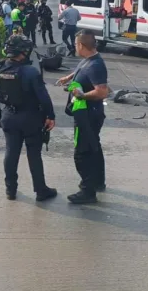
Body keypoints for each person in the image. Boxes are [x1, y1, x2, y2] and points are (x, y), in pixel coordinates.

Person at [0, 34, 57, 202]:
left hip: (9, 116)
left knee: (11, 152)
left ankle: (10, 190)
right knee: (34, 154)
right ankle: (41, 190)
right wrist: (50, 116)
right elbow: (43, 97)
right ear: (23, 52)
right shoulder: (30, 72)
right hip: (31, 118)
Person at [56, 30, 108, 204]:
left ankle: (87, 190)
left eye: (76, 44)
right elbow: (80, 69)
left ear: (81, 46)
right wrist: (69, 77)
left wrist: (81, 95)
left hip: (88, 115)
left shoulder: (96, 65)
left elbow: (101, 92)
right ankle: (98, 181)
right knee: (94, 146)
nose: (75, 46)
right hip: (87, 113)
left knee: (82, 153)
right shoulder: (89, 59)